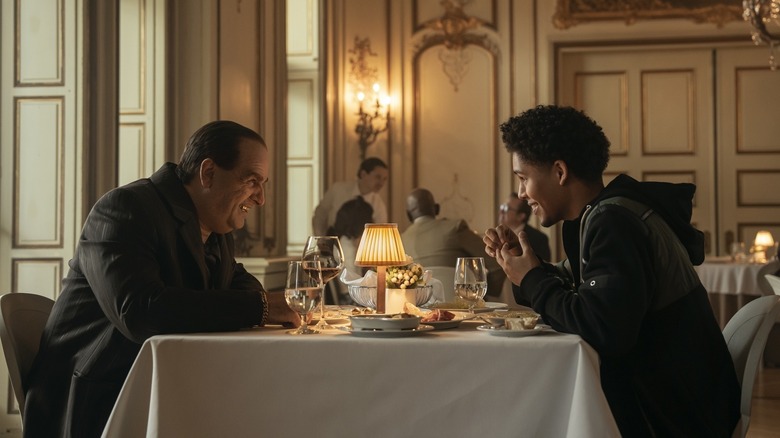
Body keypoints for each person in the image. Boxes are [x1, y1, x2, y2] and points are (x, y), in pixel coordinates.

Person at [23, 121, 301, 437]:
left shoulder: (215, 229)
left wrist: (262, 303)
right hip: (97, 400)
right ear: (208, 173)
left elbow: (239, 282)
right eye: (251, 181)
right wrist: (261, 307)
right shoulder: (125, 209)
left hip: (164, 389)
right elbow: (140, 312)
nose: (261, 198)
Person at [483, 105, 740, 437]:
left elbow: (603, 328)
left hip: (673, 417)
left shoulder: (614, 222)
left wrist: (532, 278)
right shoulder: (609, 213)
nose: (521, 193)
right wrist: (525, 265)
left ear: (559, 172)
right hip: (680, 400)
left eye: (523, 178)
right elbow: (577, 288)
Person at [401, 188, 505, 299]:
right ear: (437, 208)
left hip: (419, 307)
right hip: (465, 305)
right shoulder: (455, 228)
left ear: (408, 214)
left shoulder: (400, 241)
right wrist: (486, 293)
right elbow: (496, 261)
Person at [312, 157, 388, 236]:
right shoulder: (338, 190)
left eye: (384, 179)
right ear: (363, 174)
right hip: (332, 240)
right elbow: (320, 215)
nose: (381, 183)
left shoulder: (379, 205)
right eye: (378, 177)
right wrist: (320, 238)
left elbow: (380, 234)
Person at [326, 196, 374, 301]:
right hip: (351, 298)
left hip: (353, 294)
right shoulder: (347, 247)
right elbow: (355, 283)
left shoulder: (344, 241)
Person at [499, 192, 551, 261]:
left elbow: (541, 266)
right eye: (502, 206)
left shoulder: (539, 239)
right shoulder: (499, 234)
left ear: (521, 216)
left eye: (506, 208)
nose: (501, 211)